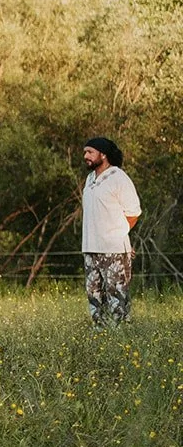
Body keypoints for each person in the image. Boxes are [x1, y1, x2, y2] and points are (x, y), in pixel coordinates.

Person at [81, 136, 141, 326]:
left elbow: (133, 212)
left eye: (90, 152)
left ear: (103, 154)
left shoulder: (118, 178)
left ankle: (121, 333)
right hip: (90, 248)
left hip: (113, 250)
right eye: (85, 152)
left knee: (116, 295)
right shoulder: (90, 179)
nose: (85, 156)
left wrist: (118, 236)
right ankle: (100, 333)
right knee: (94, 294)